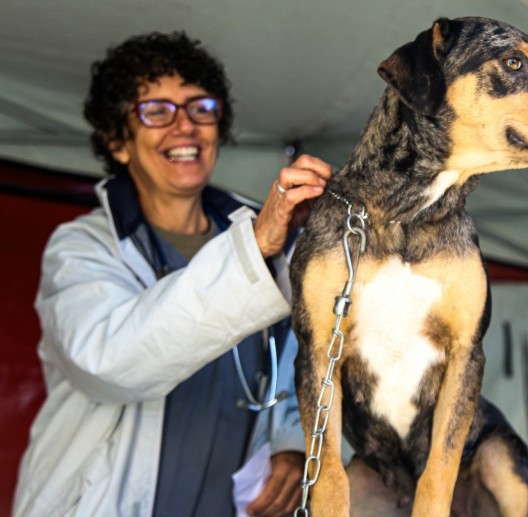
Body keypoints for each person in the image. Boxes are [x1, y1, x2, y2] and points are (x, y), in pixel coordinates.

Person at [12, 31, 332, 517]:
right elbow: (109, 362)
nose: (185, 127)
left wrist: (290, 443)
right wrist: (252, 249)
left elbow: (297, 362)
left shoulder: (272, 239)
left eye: (200, 108)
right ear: (118, 141)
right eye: (156, 111)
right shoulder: (81, 247)